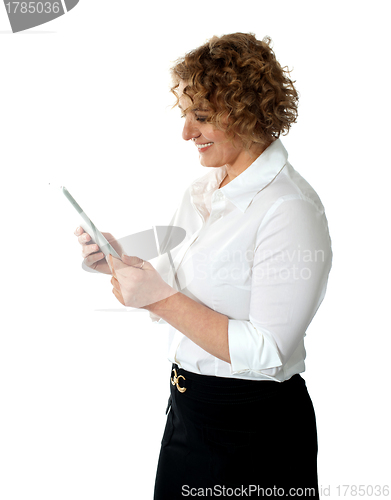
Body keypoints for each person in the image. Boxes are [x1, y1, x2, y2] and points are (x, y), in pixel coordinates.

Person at [75, 33, 332, 499]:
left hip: (254, 434)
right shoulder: (203, 190)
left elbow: (267, 349)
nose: (186, 133)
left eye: (203, 116)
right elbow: (173, 288)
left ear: (249, 111)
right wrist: (118, 263)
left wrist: (158, 297)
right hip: (187, 414)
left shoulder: (289, 209)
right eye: (185, 115)